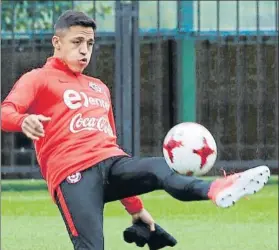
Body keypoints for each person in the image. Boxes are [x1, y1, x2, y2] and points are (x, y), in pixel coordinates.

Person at [1, 10, 270, 250]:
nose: (85, 50)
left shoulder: (98, 87)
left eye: (90, 43)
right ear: (57, 43)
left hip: (111, 163)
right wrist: (23, 121)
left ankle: (216, 189)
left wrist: (136, 209)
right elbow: (5, 112)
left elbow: (110, 147)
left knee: (158, 167)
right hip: (73, 175)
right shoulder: (38, 78)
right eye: (77, 42)